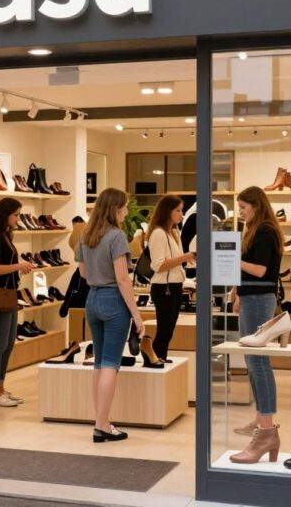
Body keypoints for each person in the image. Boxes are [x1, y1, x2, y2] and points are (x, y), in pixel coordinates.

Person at [75, 188, 145, 443]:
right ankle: (102, 425)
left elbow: (83, 274)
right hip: (114, 300)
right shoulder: (117, 237)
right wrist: (137, 316)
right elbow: (123, 278)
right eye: (124, 207)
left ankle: (101, 421)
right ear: (115, 208)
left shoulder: (86, 235)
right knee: (110, 364)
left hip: (92, 299)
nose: (127, 212)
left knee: (99, 362)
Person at [229, 186, 284, 464]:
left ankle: (266, 427)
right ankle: (262, 418)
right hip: (253, 297)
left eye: (244, 208)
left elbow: (261, 270)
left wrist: (231, 259)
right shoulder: (255, 230)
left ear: (256, 206)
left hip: (260, 298)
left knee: (259, 362)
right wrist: (237, 292)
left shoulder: (265, 231)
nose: (240, 212)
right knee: (253, 360)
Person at [0, 197, 35, 407]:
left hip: (9, 292)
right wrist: (18, 266)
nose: (18, 218)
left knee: (9, 343)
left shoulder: (4, 235)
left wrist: (18, 267)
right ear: (5, 214)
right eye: (16, 215)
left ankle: (1, 388)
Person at [146, 195, 196, 362]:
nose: (181, 214)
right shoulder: (158, 234)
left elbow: (177, 259)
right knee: (164, 328)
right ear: (167, 212)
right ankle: (155, 357)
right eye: (178, 210)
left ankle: (159, 356)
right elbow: (158, 265)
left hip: (174, 285)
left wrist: (188, 258)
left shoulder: (173, 232)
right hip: (163, 287)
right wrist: (185, 257)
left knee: (169, 328)